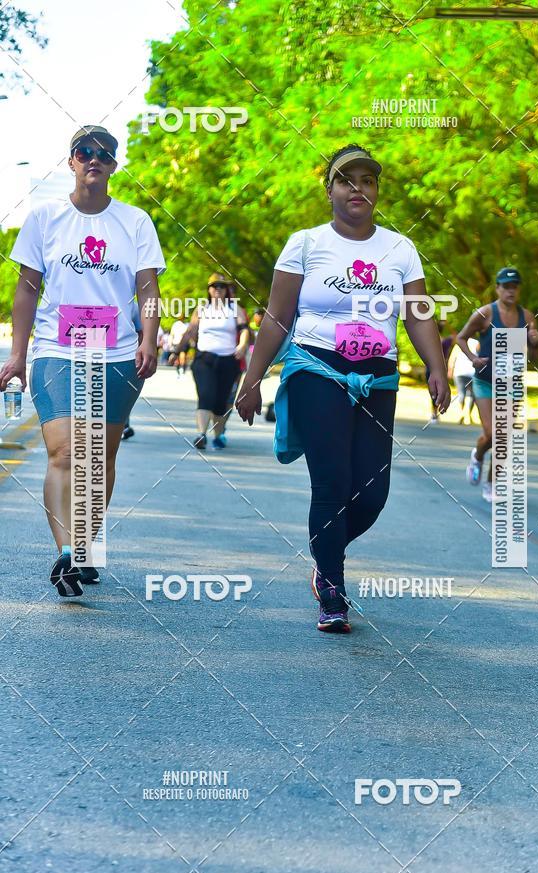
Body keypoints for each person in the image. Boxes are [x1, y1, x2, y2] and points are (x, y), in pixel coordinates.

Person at [236, 144, 450, 633]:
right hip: (317, 371)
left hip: (379, 376)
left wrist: (436, 367)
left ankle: (323, 553)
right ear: (329, 189)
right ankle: (332, 588)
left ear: (376, 191)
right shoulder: (306, 244)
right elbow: (276, 317)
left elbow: (418, 314)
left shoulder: (400, 248)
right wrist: (252, 380)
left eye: (367, 181)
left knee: (372, 492)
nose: (359, 188)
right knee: (331, 482)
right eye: (346, 180)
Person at [0, 125, 165, 596]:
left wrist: (148, 339)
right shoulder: (44, 218)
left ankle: (85, 548)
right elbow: (27, 289)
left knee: (100, 456)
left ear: (114, 165)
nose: (94, 158)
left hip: (115, 352)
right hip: (57, 348)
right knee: (65, 451)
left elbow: (149, 289)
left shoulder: (134, 222)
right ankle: (68, 552)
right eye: (84, 151)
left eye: (104, 154)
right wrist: (17, 353)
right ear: (71, 161)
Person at [456, 267, 538, 502]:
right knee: (492, 433)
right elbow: (461, 337)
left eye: (514, 287)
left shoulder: (528, 317)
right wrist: (474, 359)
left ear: (518, 290)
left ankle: (491, 485)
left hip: (512, 384)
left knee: (504, 437)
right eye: (506, 287)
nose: (510, 291)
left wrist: (535, 343)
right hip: (485, 381)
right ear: (498, 288)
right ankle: (478, 454)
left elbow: (534, 358)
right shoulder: (485, 314)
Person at [177, 273, 249, 450]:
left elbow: (245, 329)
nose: (218, 289)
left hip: (227, 361)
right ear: (208, 290)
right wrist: (179, 351)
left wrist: (242, 345)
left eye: (221, 286)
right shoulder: (201, 309)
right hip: (204, 360)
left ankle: (217, 435)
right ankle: (201, 434)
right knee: (206, 396)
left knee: (220, 401)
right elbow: (191, 332)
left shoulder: (234, 309)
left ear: (226, 290)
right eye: (214, 286)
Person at [448, 337, 478, 425]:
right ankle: (467, 414)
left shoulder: (459, 343)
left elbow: (452, 358)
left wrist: (450, 370)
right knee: (472, 395)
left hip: (459, 372)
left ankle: (462, 413)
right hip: (472, 372)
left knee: (461, 393)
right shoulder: (477, 343)